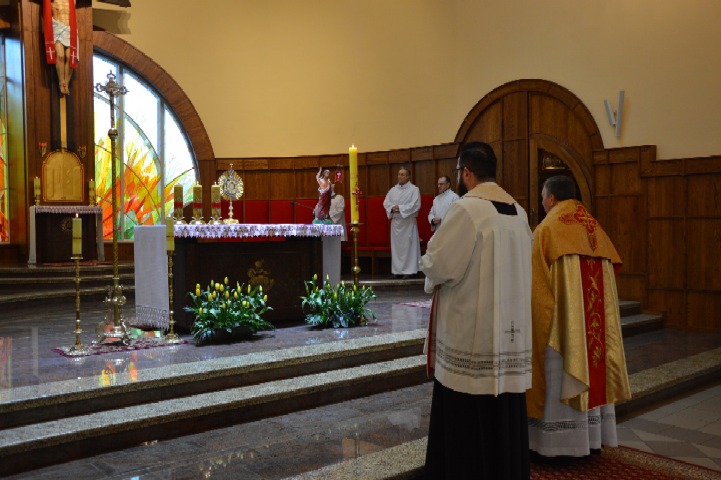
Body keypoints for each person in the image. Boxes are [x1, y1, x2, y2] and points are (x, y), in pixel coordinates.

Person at [420, 142, 533, 479]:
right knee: (504, 415)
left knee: (468, 423)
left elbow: (438, 264)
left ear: (466, 173)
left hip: (472, 338)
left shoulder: (467, 209)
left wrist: (428, 266)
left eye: (458, 172)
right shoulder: (519, 212)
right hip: (511, 340)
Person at [527, 175, 631, 458]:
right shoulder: (596, 229)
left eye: (543, 198)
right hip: (593, 326)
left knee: (560, 374)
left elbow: (536, 286)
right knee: (591, 370)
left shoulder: (547, 229)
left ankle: (558, 447)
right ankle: (591, 440)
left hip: (563, 329)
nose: (543, 203)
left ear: (551, 199)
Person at [383, 166, 421, 279]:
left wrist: (399, 208)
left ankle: (409, 271)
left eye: (403, 175)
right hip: (396, 223)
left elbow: (415, 205)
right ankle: (397, 271)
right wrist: (392, 208)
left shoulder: (414, 190)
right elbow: (386, 202)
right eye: (399, 174)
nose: (400, 176)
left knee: (408, 247)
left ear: (408, 177)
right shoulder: (393, 190)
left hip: (408, 223)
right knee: (397, 248)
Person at [43, 0, 78, 96]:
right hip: (57, 28)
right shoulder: (52, 1)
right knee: (60, 55)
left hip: (69, 29)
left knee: (70, 57)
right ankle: (61, 82)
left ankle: (66, 83)